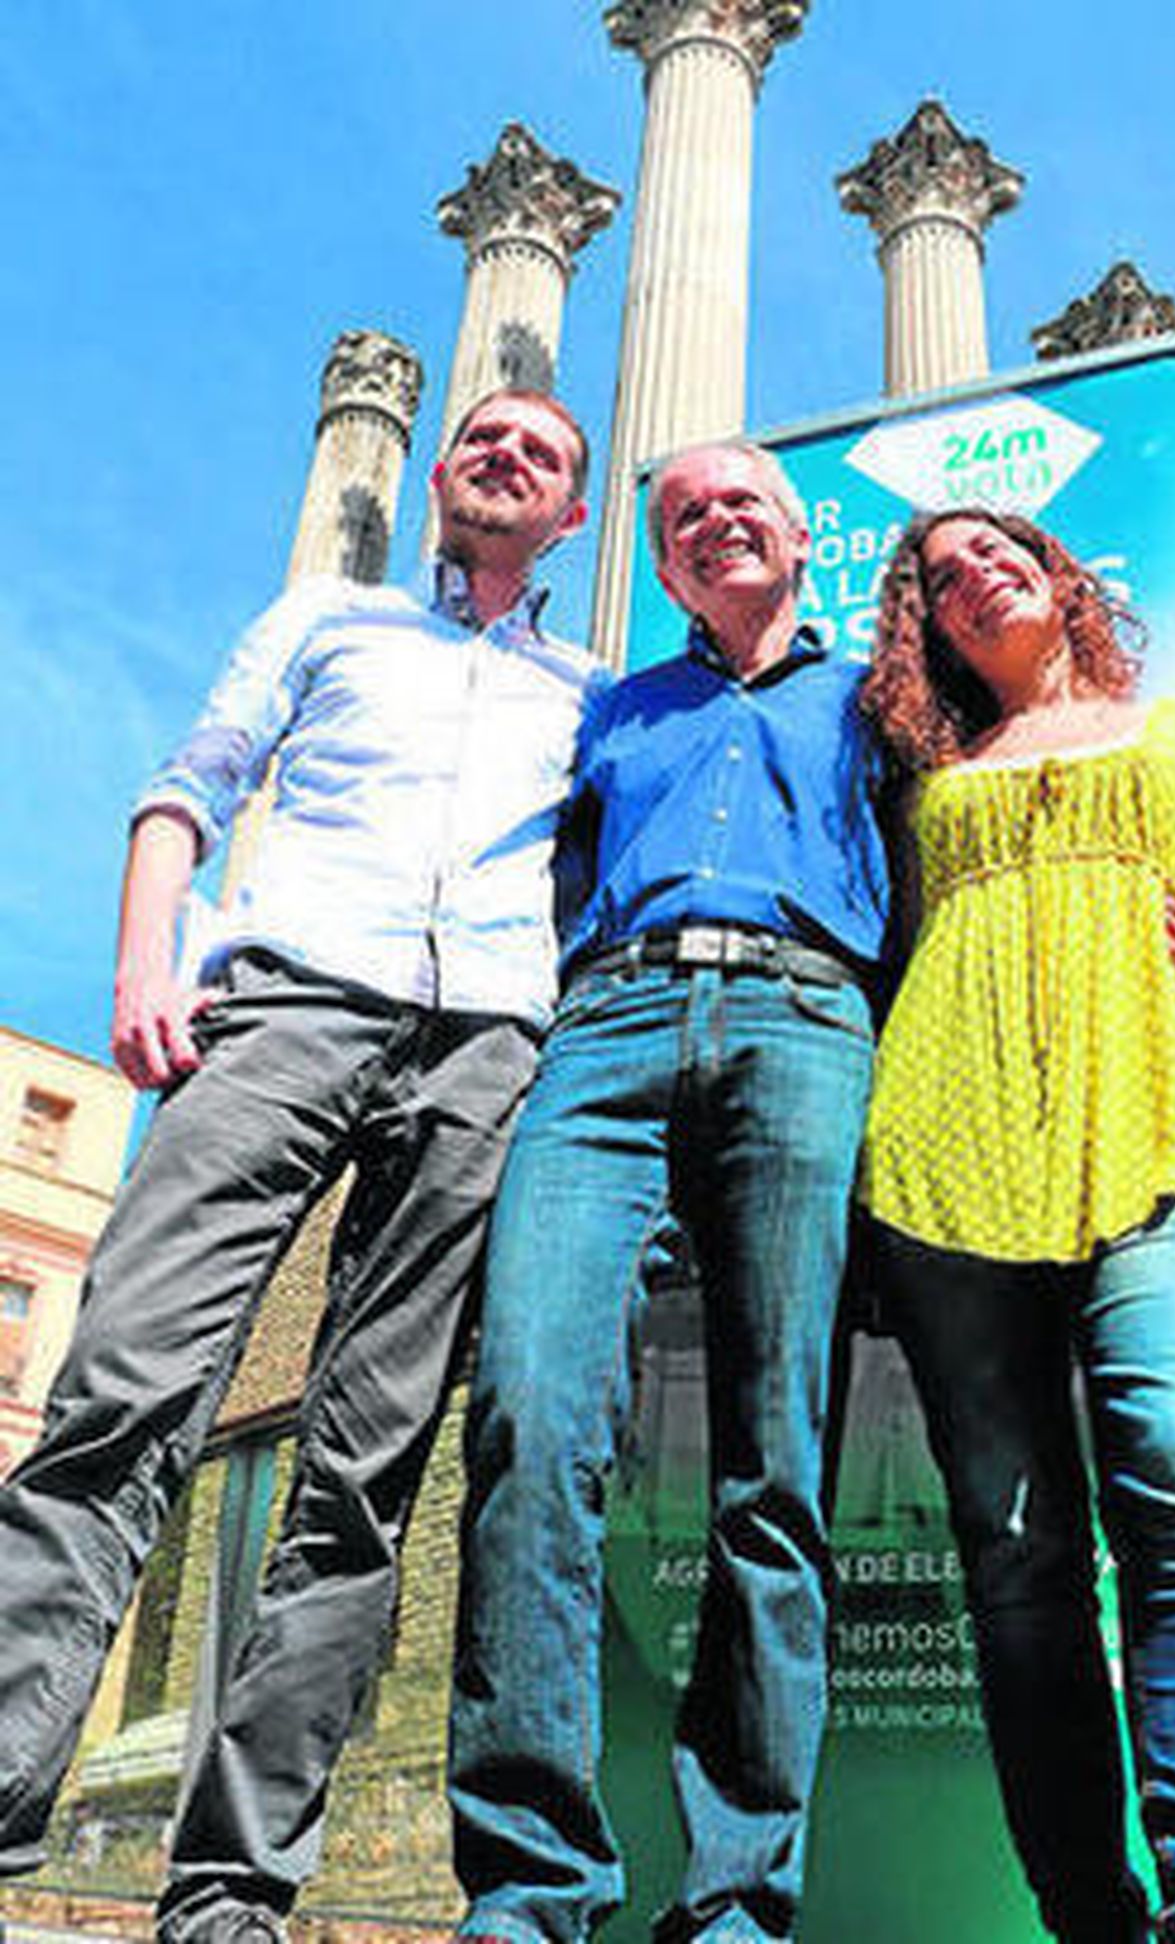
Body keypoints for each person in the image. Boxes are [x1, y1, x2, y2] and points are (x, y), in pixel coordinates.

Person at [0, 389, 599, 1944]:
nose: (503, 458)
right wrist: (147, 962)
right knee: (117, 1399)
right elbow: (189, 781)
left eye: (541, 453)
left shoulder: (591, 694)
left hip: (484, 1047)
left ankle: (230, 1895)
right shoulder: (328, 616)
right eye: (485, 438)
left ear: (573, 518)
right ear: (447, 473)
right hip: (283, 1003)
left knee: (366, 1479)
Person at [856, 509, 1175, 1941]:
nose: (972, 578)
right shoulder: (921, 772)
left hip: (1154, 1135)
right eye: (939, 579)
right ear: (929, 630)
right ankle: (1089, 1917)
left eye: (994, 550)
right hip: (942, 1159)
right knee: (1014, 1551)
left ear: (1059, 572)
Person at [448, 439, 890, 1944]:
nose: (713, 521)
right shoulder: (612, 711)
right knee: (529, 1416)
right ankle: (529, 1886)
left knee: (775, 1465)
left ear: (797, 534)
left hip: (806, 1016)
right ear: (660, 561)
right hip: (611, 1025)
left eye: (738, 500)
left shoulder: (878, 699)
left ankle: (737, 1903)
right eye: (682, 513)